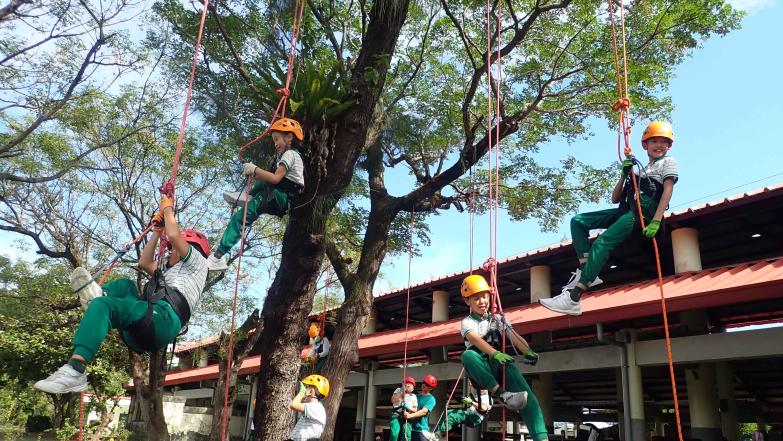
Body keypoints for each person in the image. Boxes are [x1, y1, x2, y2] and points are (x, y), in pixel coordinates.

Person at [34, 195, 209, 394]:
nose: (169, 251)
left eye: (172, 249)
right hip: (146, 326)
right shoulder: (168, 272)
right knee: (125, 286)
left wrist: (168, 208)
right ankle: (98, 295)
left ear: (190, 248)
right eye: (168, 248)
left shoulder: (197, 264)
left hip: (164, 321)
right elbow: (144, 262)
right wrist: (156, 232)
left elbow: (175, 235)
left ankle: (76, 369)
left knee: (103, 306)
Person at [540, 121, 678, 316]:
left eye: (664, 142)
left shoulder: (668, 162)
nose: (659, 145)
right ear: (645, 145)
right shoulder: (640, 170)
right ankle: (587, 268)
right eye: (654, 141)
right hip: (627, 210)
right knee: (578, 221)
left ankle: (574, 297)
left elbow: (668, 191)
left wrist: (656, 219)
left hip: (643, 213)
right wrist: (624, 175)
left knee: (602, 242)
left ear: (669, 146)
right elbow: (615, 198)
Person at [207, 117, 305, 272]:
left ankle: (218, 256)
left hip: (281, 197)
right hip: (283, 195)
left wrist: (255, 170)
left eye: (277, 139)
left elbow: (275, 178)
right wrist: (256, 173)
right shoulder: (293, 156)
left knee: (240, 218)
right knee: (262, 182)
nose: (275, 143)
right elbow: (274, 178)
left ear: (289, 137)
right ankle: (248, 195)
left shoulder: (290, 155)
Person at [459, 274, 548, 441]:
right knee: (468, 355)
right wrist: (495, 353)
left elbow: (513, 335)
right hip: (483, 367)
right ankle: (500, 393)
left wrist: (527, 351)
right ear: (467, 301)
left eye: (484, 296)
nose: (482, 301)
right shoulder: (467, 322)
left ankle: (541, 438)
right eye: (476, 298)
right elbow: (475, 339)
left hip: (501, 364)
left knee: (530, 400)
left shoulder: (498, 319)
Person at [288, 374, 329, 441]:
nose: (305, 388)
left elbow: (293, 405)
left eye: (307, 387)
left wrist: (302, 392)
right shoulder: (312, 406)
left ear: (312, 391)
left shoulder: (316, 407)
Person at [405, 375, 438, 441]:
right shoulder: (415, 396)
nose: (424, 385)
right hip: (409, 428)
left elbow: (424, 411)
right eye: (424, 382)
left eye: (427, 384)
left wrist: (410, 415)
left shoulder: (431, 399)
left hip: (421, 431)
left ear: (430, 388)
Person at [390, 377, 418, 441]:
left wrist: (408, 407)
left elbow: (415, 410)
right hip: (396, 415)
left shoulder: (413, 396)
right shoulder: (398, 390)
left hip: (407, 417)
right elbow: (393, 400)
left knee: (407, 436)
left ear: (413, 388)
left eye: (410, 385)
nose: (408, 385)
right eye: (406, 383)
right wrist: (401, 391)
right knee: (394, 434)